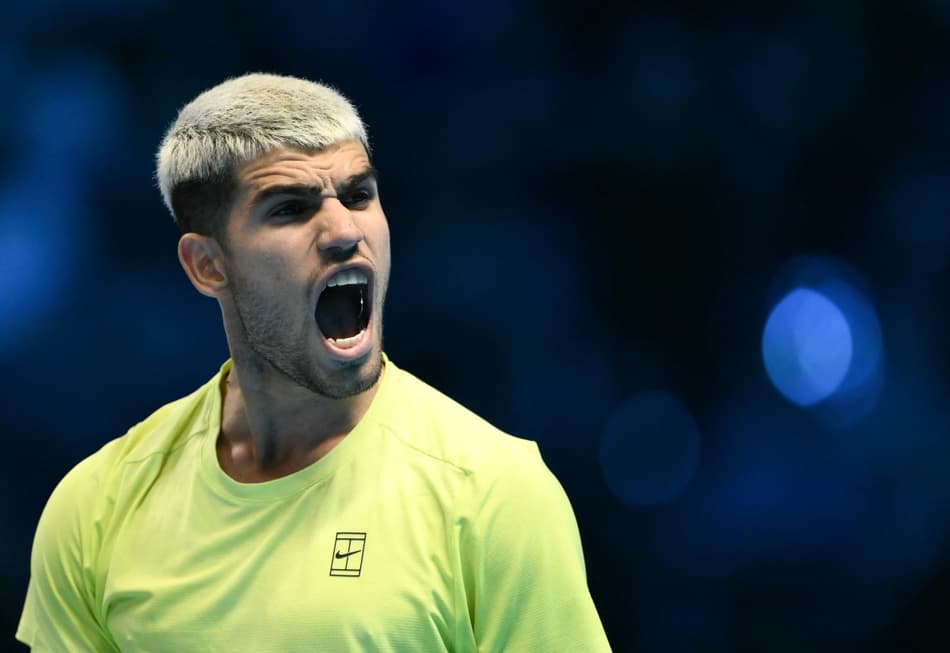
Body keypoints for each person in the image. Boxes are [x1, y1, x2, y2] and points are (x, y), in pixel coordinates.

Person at [16, 73, 611, 652]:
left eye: (358, 195)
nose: (344, 231)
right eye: (290, 209)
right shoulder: (97, 506)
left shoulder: (493, 491)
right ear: (207, 266)